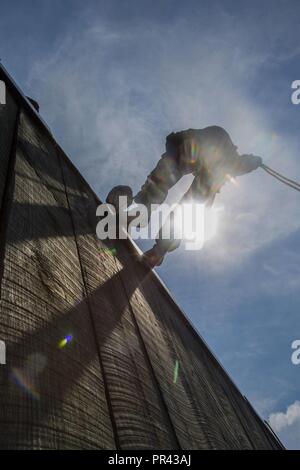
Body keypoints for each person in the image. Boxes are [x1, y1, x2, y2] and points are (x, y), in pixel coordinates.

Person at [107, 126, 262, 267]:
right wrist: (253, 162)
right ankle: (158, 243)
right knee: (193, 200)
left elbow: (238, 163)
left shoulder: (220, 151)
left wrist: (252, 161)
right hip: (199, 150)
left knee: (174, 185)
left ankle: (142, 218)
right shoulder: (223, 154)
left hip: (193, 147)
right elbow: (239, 164)